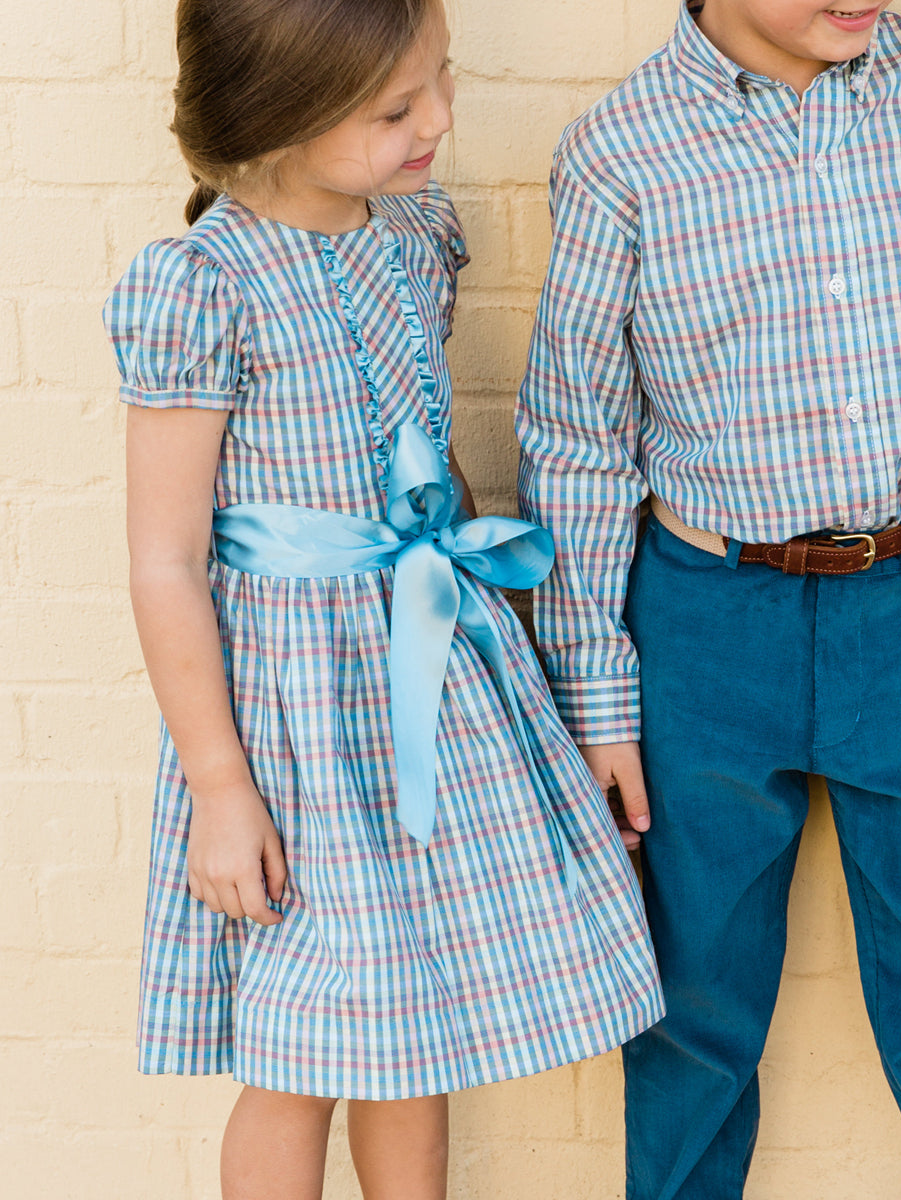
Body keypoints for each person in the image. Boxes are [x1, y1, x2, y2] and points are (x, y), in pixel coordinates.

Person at [516, 1, 901, 1197]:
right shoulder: (623, 149)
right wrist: (600, 696)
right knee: (691, 998)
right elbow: (577, 437)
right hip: (709, 626)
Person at [103, 1, 663, 1197]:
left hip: (438, 675)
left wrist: (508, 652)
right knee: (301, 1048)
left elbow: (430, 462)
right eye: (398, 108)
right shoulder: (202, 287)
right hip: (298, 720)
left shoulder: (412, 238)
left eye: (440, 84)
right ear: (280, 116)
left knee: (415, 1038)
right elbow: (166, 561)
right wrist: (218, 786)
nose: (440, 122)